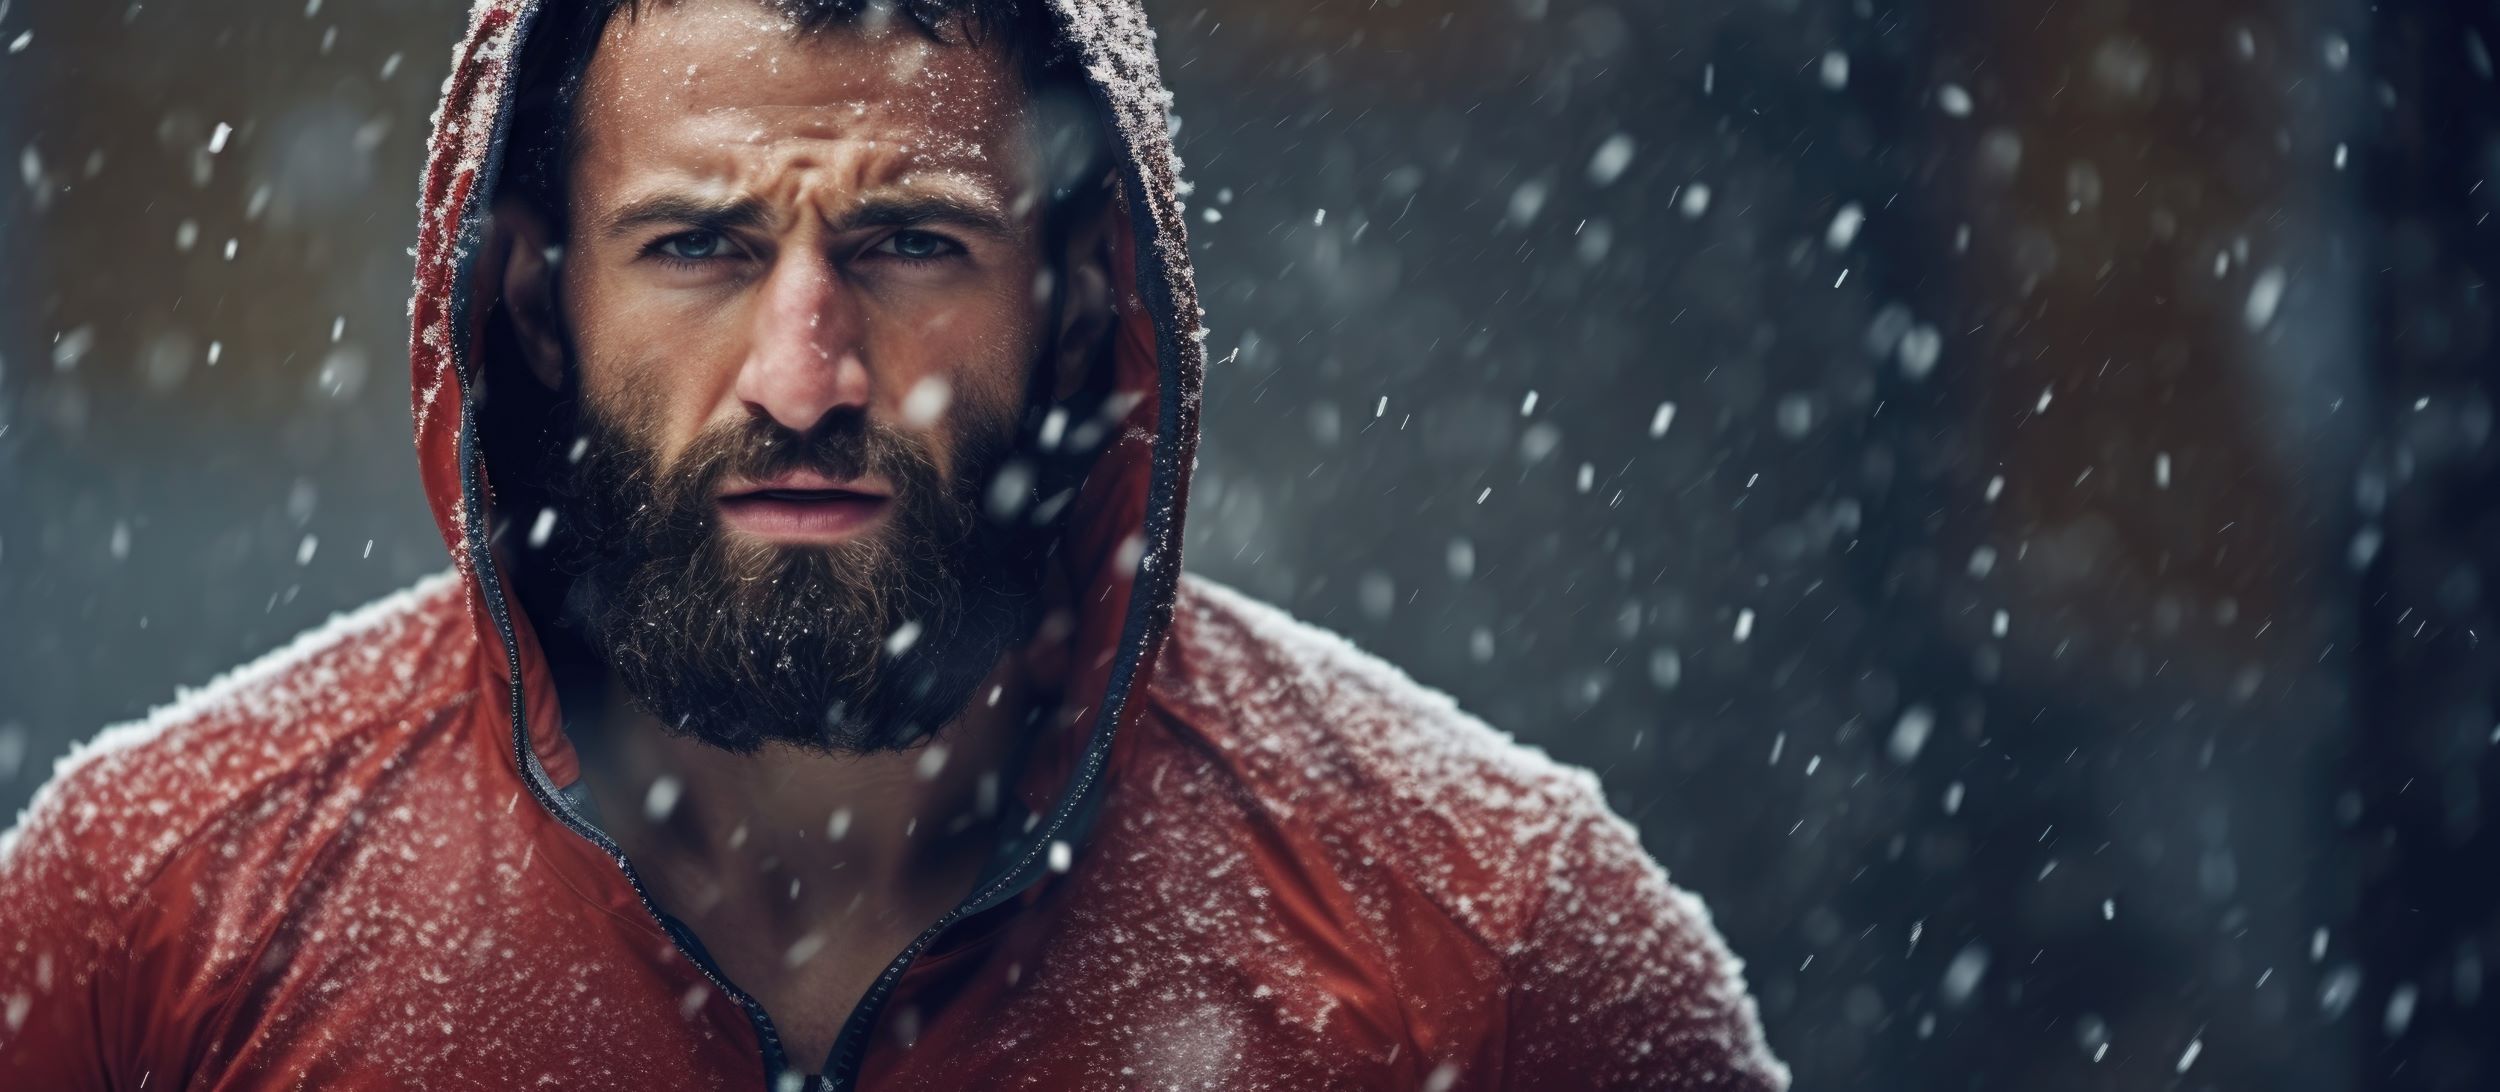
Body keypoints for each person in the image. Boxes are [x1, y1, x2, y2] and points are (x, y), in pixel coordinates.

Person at [0, 1, 1788, 1088]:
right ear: (536, 297)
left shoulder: (1485, 937)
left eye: (914, 243)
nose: (802, 373)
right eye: (698, 246)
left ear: (1083, 295)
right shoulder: (156, 915)